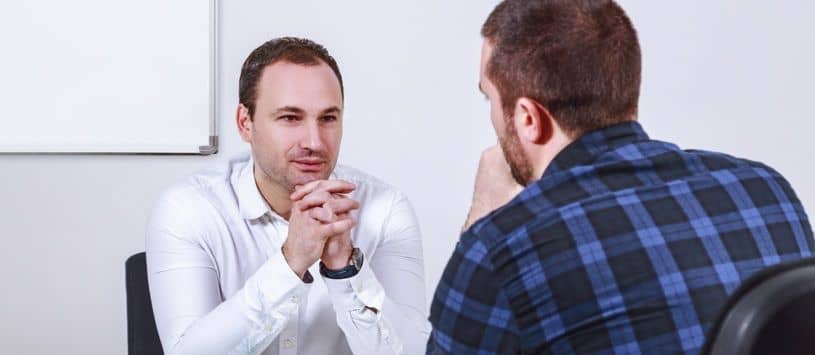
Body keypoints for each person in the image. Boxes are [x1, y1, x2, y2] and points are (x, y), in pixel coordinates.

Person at [428, 1, 815, 354]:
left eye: (489, 98)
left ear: (528, 118)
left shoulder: (501, 249)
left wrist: (483, 219)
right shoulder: (765, 189)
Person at [146, 37, 429, 355]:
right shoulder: (189, 210)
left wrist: (345, 270)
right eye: (290, 118)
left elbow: (417, 351)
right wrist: (290, 261)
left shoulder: (385, 210)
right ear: (245, 123)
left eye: (328, 118)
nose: (314, 141)